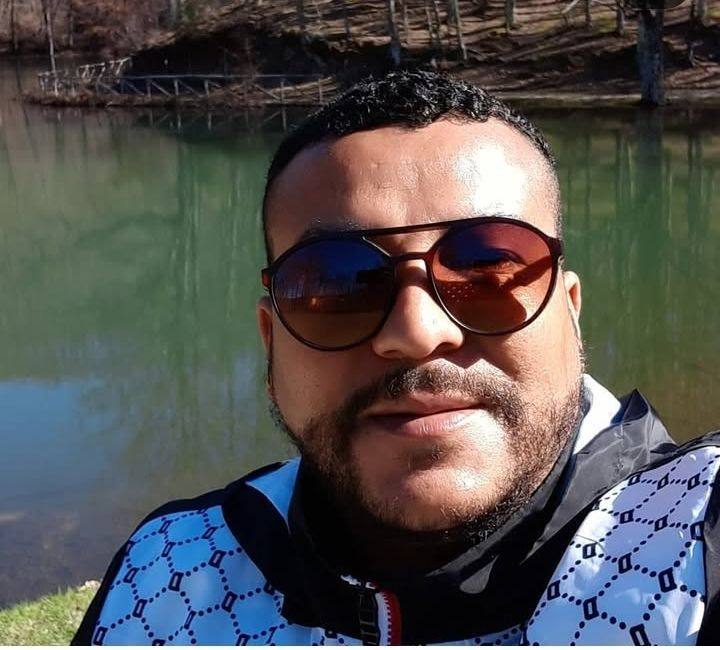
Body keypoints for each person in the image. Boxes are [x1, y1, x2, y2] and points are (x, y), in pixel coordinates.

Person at [73, 71, 720, 646]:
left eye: (488, 269)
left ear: (570, 313)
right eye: (336, 282)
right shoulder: (164, 577)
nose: (416, 332)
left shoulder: (697, 535)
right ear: (272, 343)